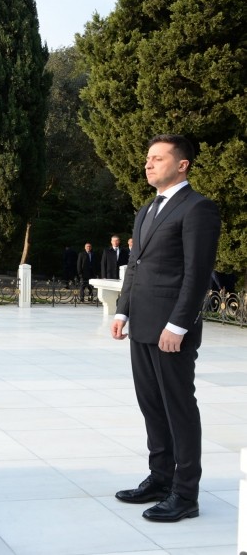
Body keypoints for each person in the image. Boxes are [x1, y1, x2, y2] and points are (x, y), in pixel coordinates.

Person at [111, 134, 220, 522]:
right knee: (151, 406)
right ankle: (159, 479)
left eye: (157, 158)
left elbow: (197, 274)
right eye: (147, 159)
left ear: (182, 164)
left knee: (178, 409)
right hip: (141, 324)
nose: (148, 164)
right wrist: (122, 311)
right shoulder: (146, 210)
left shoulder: (198, 209)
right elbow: (136, 267)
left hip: (171, 330)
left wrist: (178, 324)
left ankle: (185, 494)